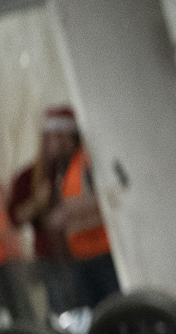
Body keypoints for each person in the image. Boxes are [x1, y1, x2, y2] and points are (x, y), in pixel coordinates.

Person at [8, 107, 120, 312]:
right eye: (51, 138)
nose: (56, 144)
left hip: (95, 252)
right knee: (72, 312)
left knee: (107, 308)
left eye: (62, 137)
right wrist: (36, 204)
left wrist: (66, 214)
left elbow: (106, 199)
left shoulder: (81, 163)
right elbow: (14, 218)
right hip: (56, 257)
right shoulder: (32, 176)